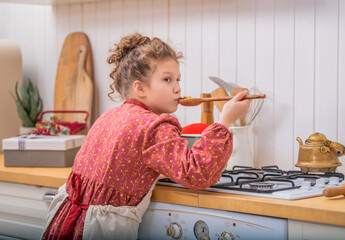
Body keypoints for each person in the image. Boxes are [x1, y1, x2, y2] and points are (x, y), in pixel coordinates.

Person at [41, 32, 251, 240]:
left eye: (178, 79)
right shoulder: (154, 126)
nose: (177, 87)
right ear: (140, 88)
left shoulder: (107, 117)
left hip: (64, 222)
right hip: (98, 230)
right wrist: (225, 121)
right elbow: (197, 172)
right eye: (167, 79)